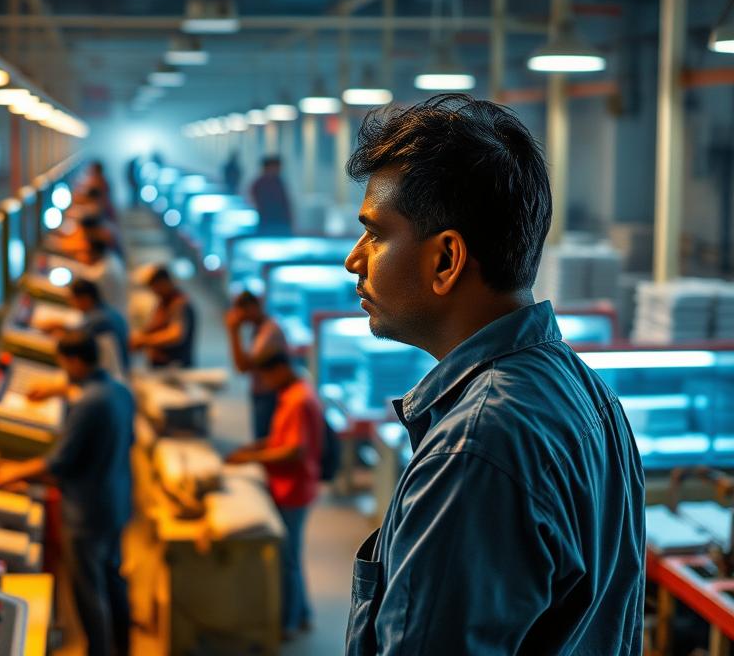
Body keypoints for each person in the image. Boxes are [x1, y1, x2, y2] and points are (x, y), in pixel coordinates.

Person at [341, 94, 644, 655]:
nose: (355, 259)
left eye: (377, 233)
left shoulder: (475, 451)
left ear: (446, 260)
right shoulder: (585, 392)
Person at [0, 332, 133, 656]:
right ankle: (125, 646)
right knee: (113, 576)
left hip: (86, 512)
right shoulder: (119, 391)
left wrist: (13, 472)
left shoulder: (86, 405)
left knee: (88, 590)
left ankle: (97, 650)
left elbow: (59, 462)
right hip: (117, 501)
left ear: (75, 361)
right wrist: (60, 389)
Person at [227, 352, 323, 639]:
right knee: (291, 554)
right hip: (291, 485)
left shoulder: (298, 401)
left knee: (287, 559)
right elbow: (282, 438)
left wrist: (254, 459)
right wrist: (254, 449)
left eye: (267, 376)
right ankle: (302, 614)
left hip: (292, 488)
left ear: (280, 369)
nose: (265, 383)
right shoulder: (294, 392)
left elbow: (294, 450)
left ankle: (289, 623)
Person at [224, 291, 289, 439]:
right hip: (263, 394)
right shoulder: (260, 329)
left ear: (252, 308)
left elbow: (242, 366)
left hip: (270, 396)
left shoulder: (269, 332)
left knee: (267, 440)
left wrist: (233, 332)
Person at [35, 278, 130, 379]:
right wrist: (61, 326)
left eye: (72, 299)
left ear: (85, 299)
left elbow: (77, 341)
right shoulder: (104, 311)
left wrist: (59, 330)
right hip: (121, 370)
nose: (70, 303)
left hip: (113, 373)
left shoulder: (98, 322)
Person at [130, 266, 196, 368]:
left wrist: (145, 340)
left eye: (154, 286)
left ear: (163, 282)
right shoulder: (163, 302)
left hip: (174, 366)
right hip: (160, 365)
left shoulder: (178, 303)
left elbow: (175, 335)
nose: (154, 291)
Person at [250, 155, 292, 235]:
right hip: (268, 221)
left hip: (280, 222)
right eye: (276, 167)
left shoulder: (278, 182)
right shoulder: (261, 183)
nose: (279, 170)